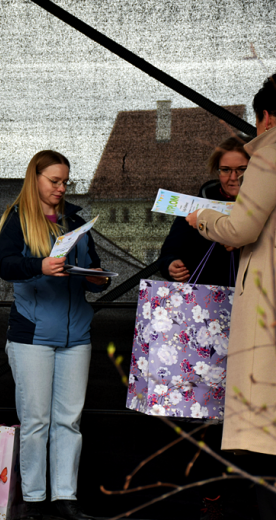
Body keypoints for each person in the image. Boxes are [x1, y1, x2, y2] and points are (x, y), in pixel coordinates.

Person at [0, 150, 109, 520]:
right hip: (31, 335)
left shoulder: (75, 219)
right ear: (35, 178)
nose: (61, 188)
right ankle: (32, 500)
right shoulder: (16, 217)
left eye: (65, 182)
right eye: (53, 181)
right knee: (35, 421)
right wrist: (40, 266)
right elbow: (6, 267)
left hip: (77, 334)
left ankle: (66, 498)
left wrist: (95, 276)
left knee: (69, 420)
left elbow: (90, 272)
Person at [187, 74, 276, 517]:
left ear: (265, 118)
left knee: (265, 433)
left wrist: (205, 218)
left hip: (265, 307)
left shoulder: (271, 153)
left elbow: (242, 228)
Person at [157, 135, 250, 285]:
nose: (233, 177)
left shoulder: (266, 209)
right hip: (202, 301)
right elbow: (169, 252)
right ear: (217, 171)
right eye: (225, 170)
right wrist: (171, 265)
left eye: (242, 169)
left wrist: (244, 241)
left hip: (255, 301)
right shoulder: (196, 206)